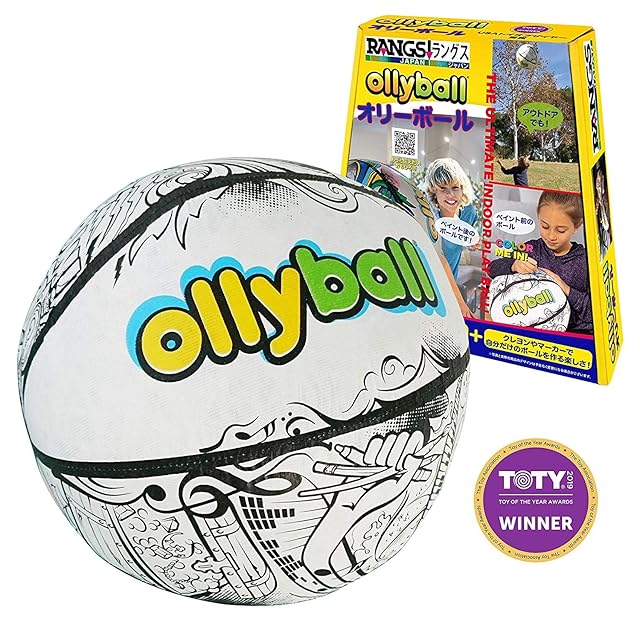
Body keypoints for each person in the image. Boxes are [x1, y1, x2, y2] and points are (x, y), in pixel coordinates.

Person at [489, 190, 592, 333]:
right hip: (531, 331)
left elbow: (595, 312)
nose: (551, 236)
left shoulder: (585, 261)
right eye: (545, 226)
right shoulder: (531, 249)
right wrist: (514, 265)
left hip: (572, 335)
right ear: (538, 218)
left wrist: (565, 288)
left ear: (577, 226)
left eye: (560, 230)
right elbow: (492, 269)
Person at [424, 158, 479, 281]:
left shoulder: (469, 213)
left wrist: (472, 244)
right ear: (434, 191)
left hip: (450, 281)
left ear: (462, 188)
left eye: (455, 187)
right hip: (428, 280)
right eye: (443, 188)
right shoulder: (428, 216)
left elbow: (462, 243)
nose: (450, 194)